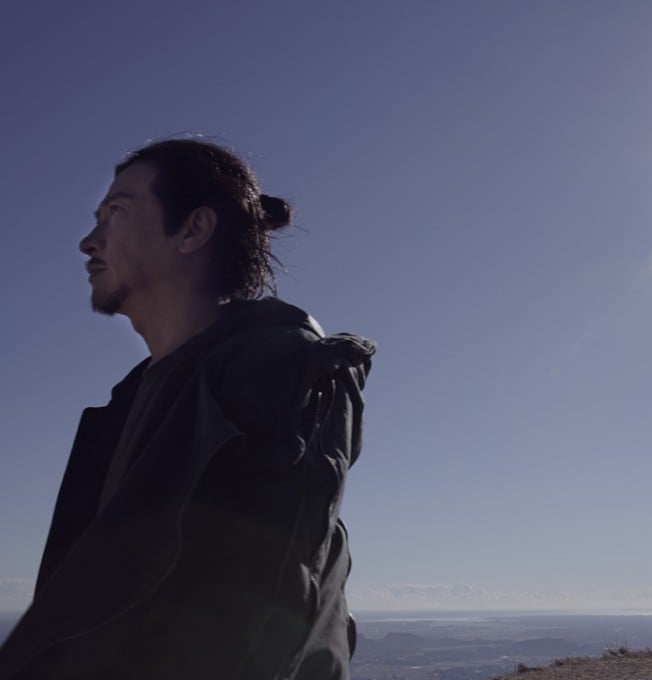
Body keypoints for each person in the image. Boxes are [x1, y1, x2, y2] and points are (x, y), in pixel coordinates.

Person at [0, 139, 375, 679]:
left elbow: (254, 628)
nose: (89, 241)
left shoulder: (273, 378)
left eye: (117, 213)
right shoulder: (136, 400)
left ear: (193, 231)